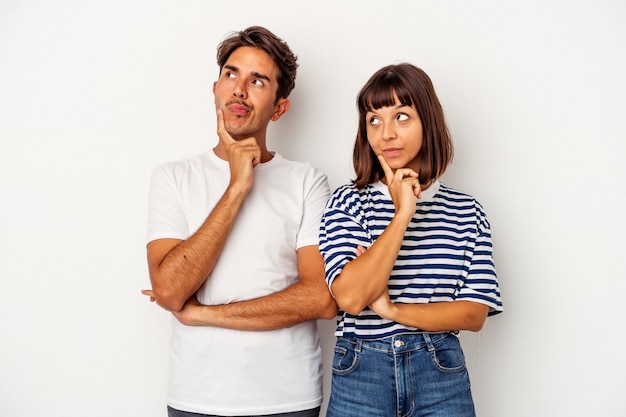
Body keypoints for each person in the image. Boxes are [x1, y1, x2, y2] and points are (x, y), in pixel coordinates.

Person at [142, 26, 337, 417]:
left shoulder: (307, 181)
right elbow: (169, 290)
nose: (239, 90)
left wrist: (206, 313)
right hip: (196, 397)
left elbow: (319, 298)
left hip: (288, 398)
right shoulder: (173, 177)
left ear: (280, 107)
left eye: (258, 80)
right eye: (231, 74)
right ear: (215, 88)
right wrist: (236, 188)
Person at [318, 63, 503, 417]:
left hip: (440, 374)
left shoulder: (467, 211)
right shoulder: (347, 201)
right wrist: (403, 214)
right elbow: (352, 297)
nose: (385, 133)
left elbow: (473, 313)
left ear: (427, 122)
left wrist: (392, 310)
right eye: (374, 120)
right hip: (361, 374)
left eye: (401, 117)